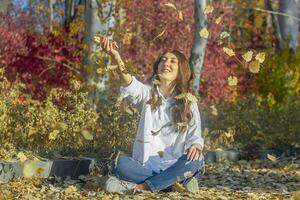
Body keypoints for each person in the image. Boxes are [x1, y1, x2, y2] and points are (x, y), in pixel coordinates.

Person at [100, 37, 204, 194]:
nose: (166, 63)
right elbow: (128, 80)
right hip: (145, 166)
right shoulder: (147, 93)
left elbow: (195, 137)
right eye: (163, 60)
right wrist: (115, 56)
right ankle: (176, 182)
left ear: (181, 69)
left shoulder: (189, 102)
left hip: (174, 163)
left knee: (196, 161)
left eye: (172, 61)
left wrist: (196, 146)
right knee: (118, 164)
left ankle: (141, 187)